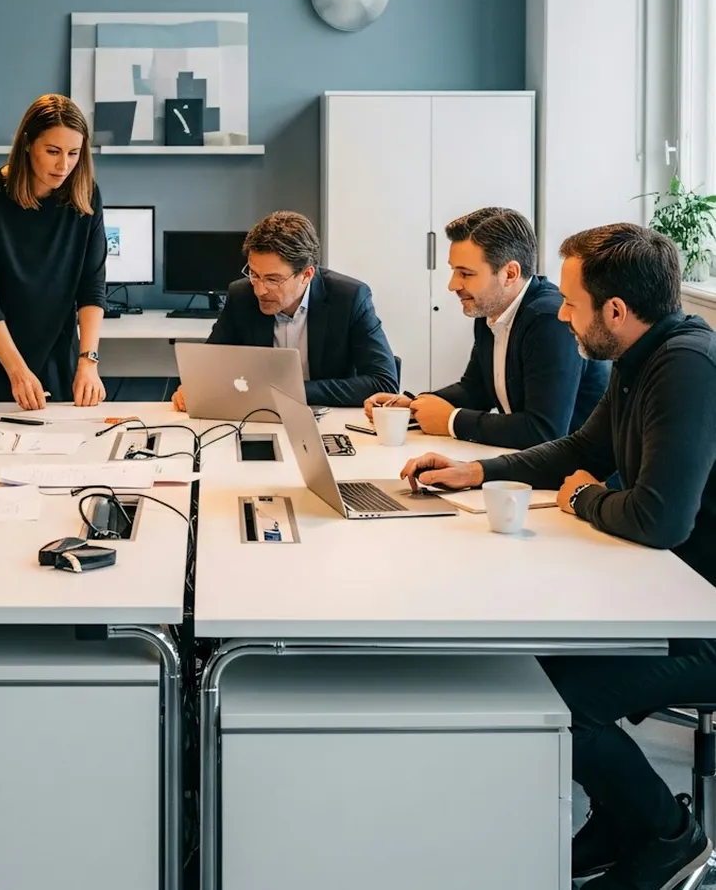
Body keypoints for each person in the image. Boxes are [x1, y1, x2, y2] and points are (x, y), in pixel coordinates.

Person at [401, 224, 716, 890]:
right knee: (531, 660)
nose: (560, 312)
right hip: (670, 594)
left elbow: (659, 517)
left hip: (702, 617)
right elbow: (578, 453)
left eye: (570, 302)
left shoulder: (686, 366)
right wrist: (476, 473)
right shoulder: (640, 357)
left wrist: (584, 503)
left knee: (562, 699)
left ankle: (667, 835)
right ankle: (618, 818)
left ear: (616, 312)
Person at [366, 207, 608, 447]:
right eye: (454, 271)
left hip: (583, 475)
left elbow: (545, 431)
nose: (452, 285)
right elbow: (475, 391)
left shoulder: (549, 319)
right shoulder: (490, 310)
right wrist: (414, 405)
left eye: (466, 274)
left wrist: (452, 420)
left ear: (510, 274)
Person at [0, 94, 107, 411]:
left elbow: (92, 285)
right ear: (28, 143)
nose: (64, 165)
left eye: (74, 153)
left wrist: (88, 362)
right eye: (53, 151)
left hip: (55, 350)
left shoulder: (87, 196)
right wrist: (17, 370)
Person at [172, 211, 397, 410]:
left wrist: (286, 392)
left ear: (306, 275)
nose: (259, 290)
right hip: (258, 415)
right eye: (254, 274)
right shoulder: (241, 295)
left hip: (328, 417)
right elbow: (211, 366)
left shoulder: (349, 297)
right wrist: (194, 387)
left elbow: (384, 383)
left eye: (272, 279)